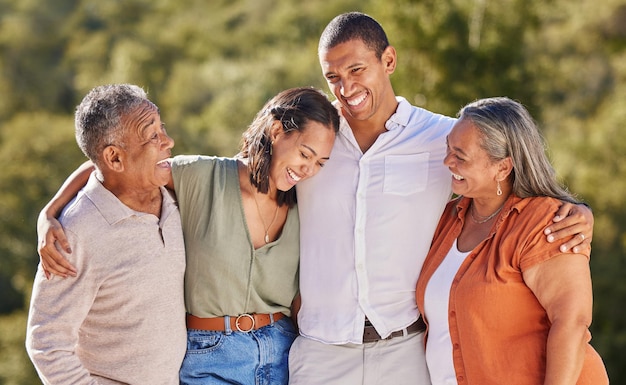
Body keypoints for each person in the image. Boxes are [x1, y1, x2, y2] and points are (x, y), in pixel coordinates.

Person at [288, 12, 595, 385]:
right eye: (333, 77)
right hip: (322, 352)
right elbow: (256, 168)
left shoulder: (443, 136)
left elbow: (512, 169)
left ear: (388, 61)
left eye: (356, 70)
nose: (346, 87)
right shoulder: (311, 139)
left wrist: (577, 211)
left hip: (405, 351)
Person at [35, 86, 340, 385]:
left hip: (282, 355)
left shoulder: (305, 200)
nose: (309, 169)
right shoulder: (202, 177)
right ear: (276, 131)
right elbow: (114, 166)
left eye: (320, 163)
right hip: (211, 357)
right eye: (305, 154)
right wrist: (50, 212)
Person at [415, 97, 608, 385]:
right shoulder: (445, 219)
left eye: (460, 155)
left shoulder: (546, 222)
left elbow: (571, 323)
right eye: (448, 149)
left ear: (503, 168)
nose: (447, 162)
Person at [26, 84, 187, 384]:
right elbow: (46, 343)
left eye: (161, 129)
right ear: (114, 159)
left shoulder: (175, 191)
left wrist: (47, 209)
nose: (169, 141)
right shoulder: (73, 234)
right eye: (152, 136)